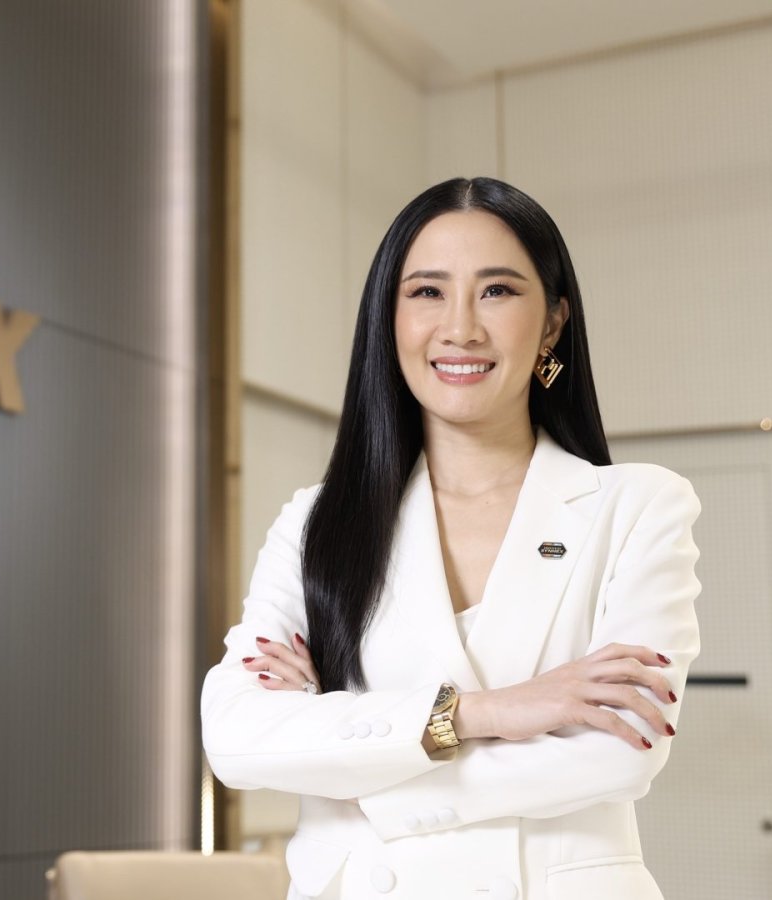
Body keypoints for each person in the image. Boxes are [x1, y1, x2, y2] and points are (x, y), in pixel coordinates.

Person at [200, 177, 701, 900]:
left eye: (497, 291)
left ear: (553, 322)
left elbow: (623, 751)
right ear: (389, 319)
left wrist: (349, 764)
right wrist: (481, 713)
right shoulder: (317, 522)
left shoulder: (639, 506)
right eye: (427, 292)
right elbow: (235, 738)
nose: (460, 328)